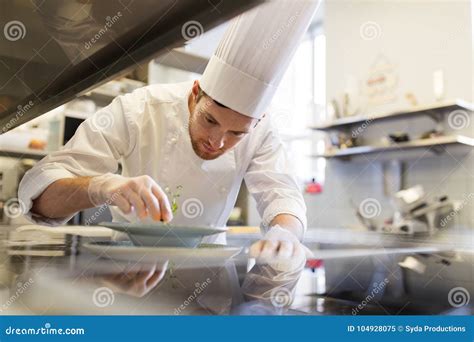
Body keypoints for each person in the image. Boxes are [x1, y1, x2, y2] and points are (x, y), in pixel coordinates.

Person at [18, 1, 319, 299]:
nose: (217, 141)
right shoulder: (138, 109)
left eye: (236, 133)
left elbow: (284, 198)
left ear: (258, 121)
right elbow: (38, 195)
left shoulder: (262, 132)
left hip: (212, 280)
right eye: (210, 120)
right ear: (195, 95)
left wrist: (285, 233)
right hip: (128, 275)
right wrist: (101, 187)